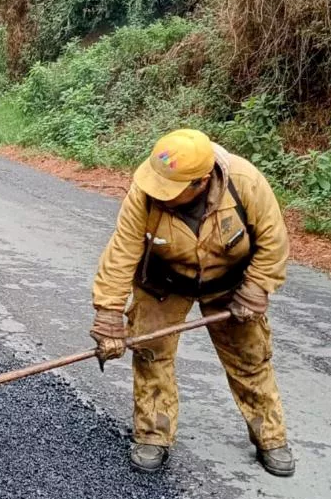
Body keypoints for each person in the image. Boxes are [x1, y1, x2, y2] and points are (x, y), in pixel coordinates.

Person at [89, 128, 295, 477]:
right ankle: (153, 435)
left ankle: (270, 437)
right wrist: (108, 315)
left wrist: (257, 287)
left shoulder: (245, 182)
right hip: (163, 282)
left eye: (170, 192)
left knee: (251, 358)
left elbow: (273, 241)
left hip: (231, 283)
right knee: (150, 351)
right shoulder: (146, 191)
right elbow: (122, 252)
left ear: (201, 182)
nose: (159, 195)